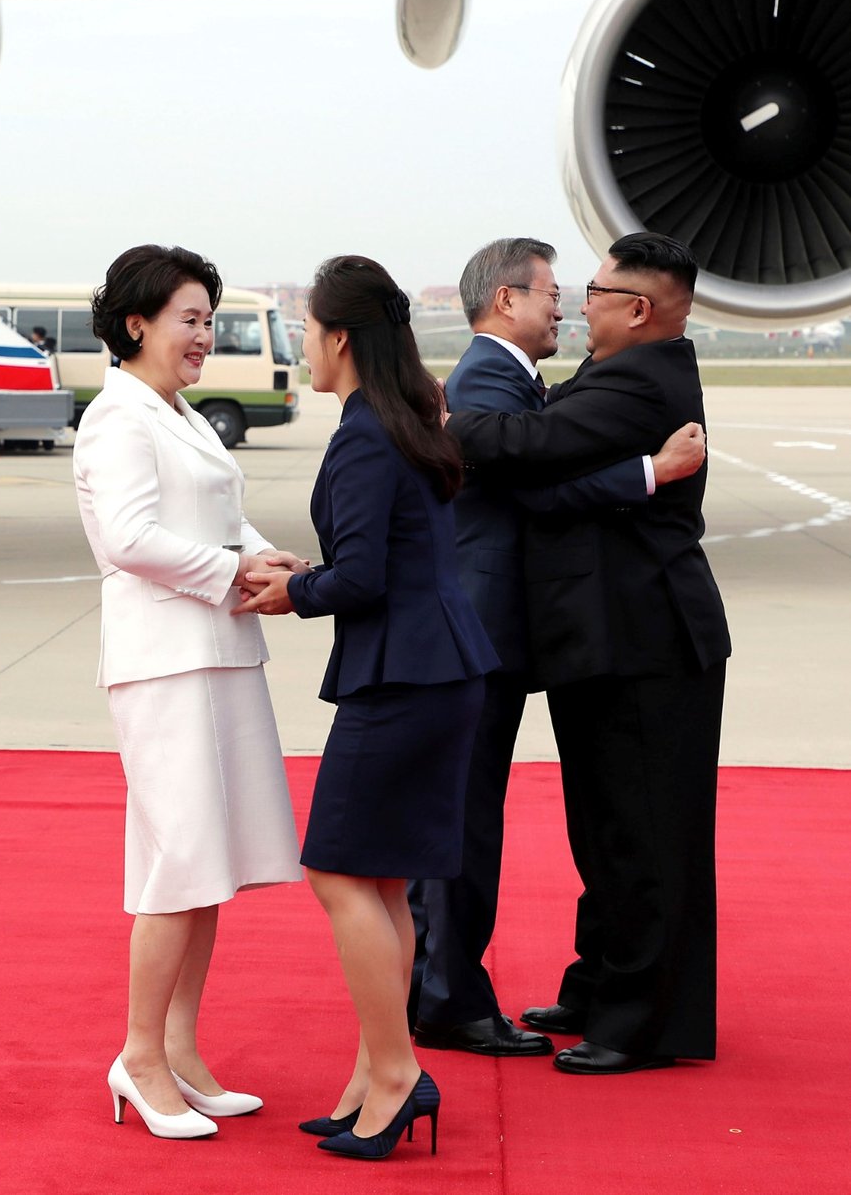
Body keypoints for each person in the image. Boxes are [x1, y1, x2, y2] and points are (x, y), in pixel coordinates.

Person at [408, 237, 708, 1057]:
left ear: (638, 308)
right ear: (508, 300)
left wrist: (439, 421)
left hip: (642, 637)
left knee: (639, 834)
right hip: (599, 637)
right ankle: (596, 990)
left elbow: (529, 454)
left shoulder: (637, 379)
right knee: (605, 830)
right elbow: (533, 469)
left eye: (594, 289)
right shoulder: (590, 374)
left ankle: (640, 1020)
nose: (576, 303)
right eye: (558, 291)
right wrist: (647, 469)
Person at [233, 255, 498, 1159]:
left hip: (405, 679)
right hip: (438, 670)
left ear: (339, 337)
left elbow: (363, 577)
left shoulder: (364, 433)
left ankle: (395, 1075)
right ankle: (371, 1076)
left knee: (340, 873)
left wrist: (288, 591)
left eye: (307, 329)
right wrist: (308, 575)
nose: (304, 344)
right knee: (380, 880)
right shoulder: (402, 421)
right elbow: (384, 559)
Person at [72, 244, 304, 1138]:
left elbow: (216, 513)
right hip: (165, 659)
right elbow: (130, 538)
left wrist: (266, 557)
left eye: (210, 320)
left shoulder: (179, 411)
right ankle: (138, 1056)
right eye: (191, 319)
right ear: (137, 322)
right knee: (177, 865)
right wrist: (232, 571)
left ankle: (179, 1048)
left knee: (207, 864)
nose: (205, 336)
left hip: (217, 652)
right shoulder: (119, 416)